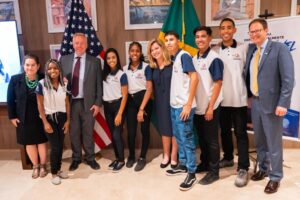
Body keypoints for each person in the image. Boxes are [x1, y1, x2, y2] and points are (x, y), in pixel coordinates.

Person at [245, 18, 294, 194]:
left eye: (258, 30)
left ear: (266, 30)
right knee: (260, 141)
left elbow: (288, 80)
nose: (254, 34)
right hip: (256, 103)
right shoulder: (252, 50)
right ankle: (263, 168)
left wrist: (283, 103)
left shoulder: (279, 49)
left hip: (273, 105)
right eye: (251, 32)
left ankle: (275, 177)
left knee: (273, 142)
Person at [212, 18, 250, 187]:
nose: (226, 31)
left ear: (234, 30)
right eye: (222, 28)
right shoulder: (214, 50)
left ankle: (243, 167)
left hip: (239, 99)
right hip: (221, 100)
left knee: (241, 134)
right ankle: (228, 158)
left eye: (229, 28)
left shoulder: (244, 47)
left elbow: (249, 73)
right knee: (225, 132)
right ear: (220, 31)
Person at [60, 33, 102, 171]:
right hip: (70, 103)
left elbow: (98, 85)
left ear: (86, 44)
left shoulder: (94, 61)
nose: (79, 45)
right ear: (72, 44)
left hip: (88, 103)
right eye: (76, 43)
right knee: (74, 132)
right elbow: (59, 83)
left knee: (88, 132)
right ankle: (76, 158)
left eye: (82, 43)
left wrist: (97, 103)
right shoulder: (64, 60)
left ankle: (90, 158)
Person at [164, 31, 199, 191]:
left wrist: (188, 103)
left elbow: (194, 77)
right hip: (175, 105)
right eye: (166, 40)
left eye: (172, 40)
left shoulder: (184, 56)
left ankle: (192, 172)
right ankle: (183, 164)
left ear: (178, 41)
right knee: (179, 137)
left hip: (184, 106)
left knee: (186, 139)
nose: (169, 43)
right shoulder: (174, 58)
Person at [7, 54, 48, 179]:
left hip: (41, 116)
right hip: (23, 117)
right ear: (23, 66)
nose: (30, 67)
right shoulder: (15, 79)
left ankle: (43, 166)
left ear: (38, 66)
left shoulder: (44, 78)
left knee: (41, 141)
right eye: (27, 65)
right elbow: (10, 99)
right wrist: (12, 117)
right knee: (29, 143)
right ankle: (35, 166)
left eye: (33, 65)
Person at [192, 26, 223, 185]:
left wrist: (210, 107)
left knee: (211, 140)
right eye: (197, 37)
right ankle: (204, 163)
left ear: (210, 38)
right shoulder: (194, 57)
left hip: (210, 107)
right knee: (202, 139)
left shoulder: (214, 58)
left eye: (203, 36)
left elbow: (218, 83)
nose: (200, 40)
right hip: (198, 107)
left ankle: (214, 171)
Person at [35, 59, 70, 185]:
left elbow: (67, 103)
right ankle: (54, 173)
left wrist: (68, 121)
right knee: (55, 147)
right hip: (49, 118)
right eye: (49, 68)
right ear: (46, 70)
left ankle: (59, 169)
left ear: (59, 69)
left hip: (62, 118)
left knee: (60, 146)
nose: (52, 71)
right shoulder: (41, 84)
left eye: (55, 68)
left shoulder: (64, 83)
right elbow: (39, 104)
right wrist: (45, 122)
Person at [147, 38, 178, 169]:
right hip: (160, 103)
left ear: (162, 48)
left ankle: (174, 156)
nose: (155, 51)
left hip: (174, 102)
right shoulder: (151, 68)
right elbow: (149, 89)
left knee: (175, 130)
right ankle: (166, 155)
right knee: (165, 129)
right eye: (152, 50)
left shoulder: (173, 64)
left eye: (157, 48)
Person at [123, 41, 153, 172]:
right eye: (132, 51)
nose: (134, 53)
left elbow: (149, 88)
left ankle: (142, 157)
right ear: (129, 53)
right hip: (130, 102)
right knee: (131, 132)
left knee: (144, 130)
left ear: (140, 53)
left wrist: (142, 109)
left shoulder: (146, 67)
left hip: (144, 101)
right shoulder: (124, 69)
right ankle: (131, 156)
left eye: (137, 51)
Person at [102, 48, 128, 172]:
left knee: (117, 134)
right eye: (108, 58)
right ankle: (117, 158)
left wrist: (119, 113)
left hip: (118, 106)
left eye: (113, 57)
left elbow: (125, 96)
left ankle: (122, 160)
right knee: (113, 134)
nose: (111, 60)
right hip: (107, 107)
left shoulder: (122, 75)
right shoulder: (104, 74)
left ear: (117, 58)